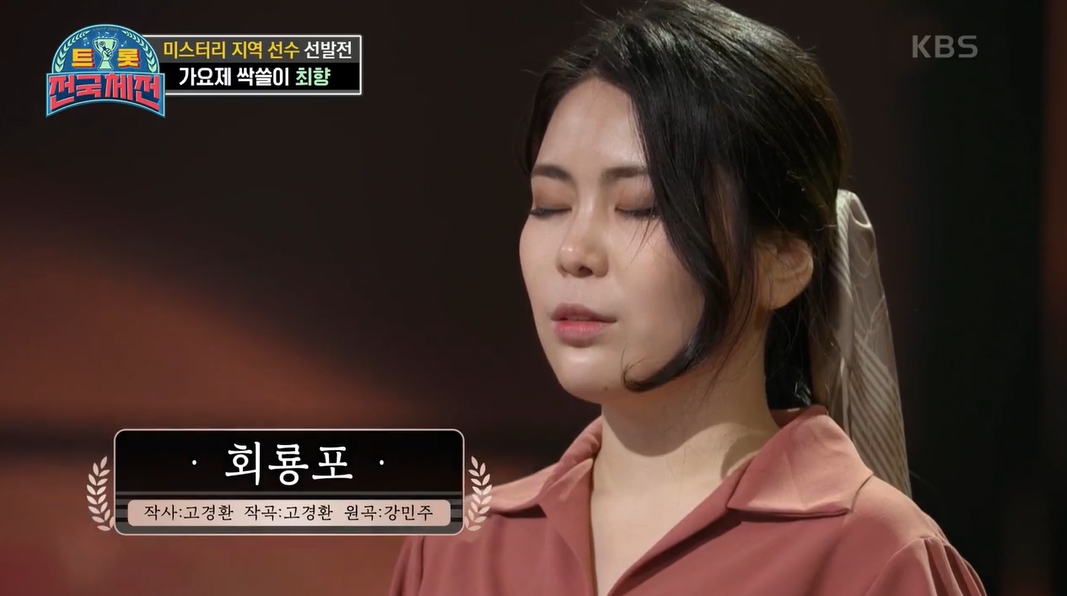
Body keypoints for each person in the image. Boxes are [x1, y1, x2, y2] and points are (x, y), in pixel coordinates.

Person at [390, 1, 985, 594]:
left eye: (640, 207)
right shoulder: (457, 550)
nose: (573, 251)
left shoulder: (876, 557)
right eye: (550, 205)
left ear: (782, 258)